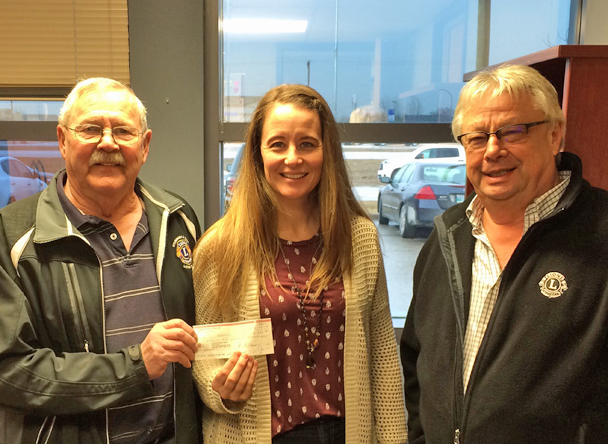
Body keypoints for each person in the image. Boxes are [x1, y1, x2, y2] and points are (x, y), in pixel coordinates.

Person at [400, 64, 608, 443]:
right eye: (477, 137)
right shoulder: (448, 235)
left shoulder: (600, 236)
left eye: (513, 131)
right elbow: (417, 362)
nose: (493, 150)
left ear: (555, 134)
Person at [192, 84, 407, 443]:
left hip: (348, 433)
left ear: (327, 152)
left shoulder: (360, 239)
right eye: (278, 144)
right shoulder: (220, 247)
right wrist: (222, 391)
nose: (293, 158)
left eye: (307, 143)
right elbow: (206, 354)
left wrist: (394, 438)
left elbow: (382, 353)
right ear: (258, 154)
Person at [0, 78, 202, 444]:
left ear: (145, 146)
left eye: (123, 131)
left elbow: (201, 334)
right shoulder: (12, 237)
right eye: (91, 129)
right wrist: (135, 365)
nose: (108, 143)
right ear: (62, 140)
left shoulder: (178, 219)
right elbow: (10, 372)